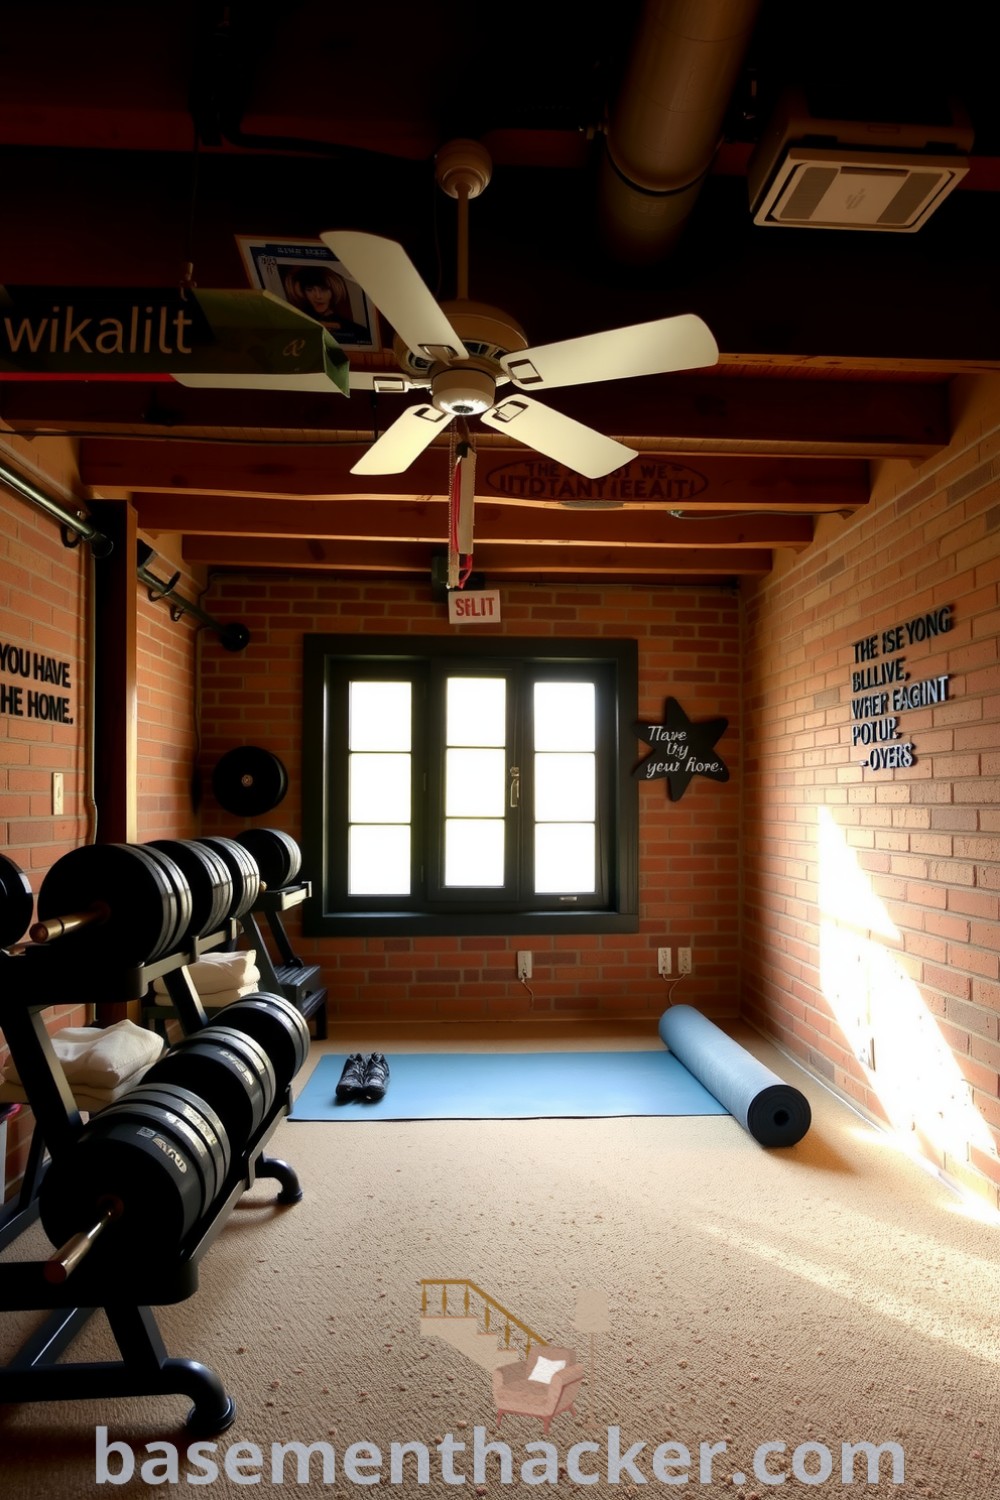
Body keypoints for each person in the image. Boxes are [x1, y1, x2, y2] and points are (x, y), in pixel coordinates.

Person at [282, 266, 371, 344]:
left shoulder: (355, 329)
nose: (318, 296)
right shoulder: (298, 324)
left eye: (323, 289)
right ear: (303, 293)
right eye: (309, 290)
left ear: (333, 291)